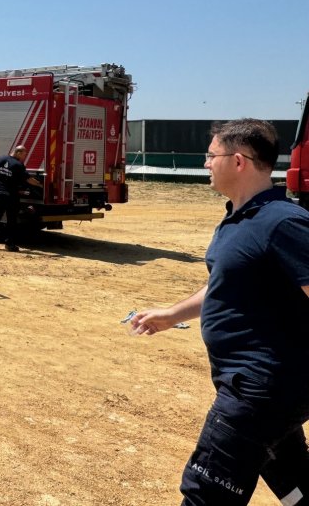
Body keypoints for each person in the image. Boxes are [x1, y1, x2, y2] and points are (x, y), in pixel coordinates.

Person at [130, 118, 309, 505]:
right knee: (293, 481)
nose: (206, 163)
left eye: (212, 155)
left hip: (261, 389)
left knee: (206, 493)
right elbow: (222, 285)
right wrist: (170, 315)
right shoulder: (240, 219)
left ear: (239, 161)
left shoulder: (284, 222)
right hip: (261, 387)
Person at [0, 144, 42, 252]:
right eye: (24, 154)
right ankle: (9, 245)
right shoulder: (18, 165)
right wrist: (40, 185)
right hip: (11, 196)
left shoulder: (0, 159)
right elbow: (28, 179)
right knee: (11, 221)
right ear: (18, 152)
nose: (24, 157)